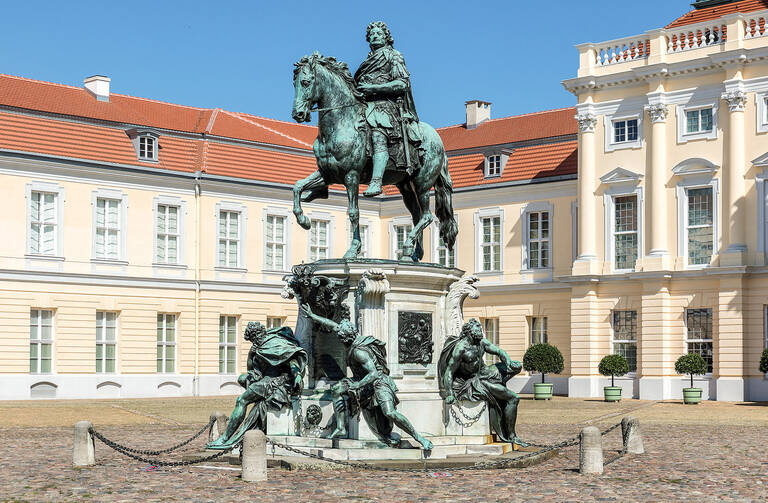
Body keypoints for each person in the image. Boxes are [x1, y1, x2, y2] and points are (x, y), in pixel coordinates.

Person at [302, 304, 433, 450]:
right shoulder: (349, 337)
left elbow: (374, 374)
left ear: (347, 338)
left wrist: (357, 386)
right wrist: (314, 316)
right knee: (337, 389)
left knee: (390, 412)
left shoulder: (359, 352)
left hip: (378, 382)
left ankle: (419, 437)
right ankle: (341, 427)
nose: (340, 340)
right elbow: (333, 326)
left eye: (341, 338)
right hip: (362, 379)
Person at [206, 321, 306, 449]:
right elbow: (252, 371)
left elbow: (292, 359)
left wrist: (297, 375)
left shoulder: (275, 343)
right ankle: (230, 433)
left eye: (253, 339)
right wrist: (251, 354)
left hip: (276, 381)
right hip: (266, 378)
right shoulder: (259, 345)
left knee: (241, 400)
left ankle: (225, 438)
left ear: (256, 335)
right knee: (242, 379)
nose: (253, 342)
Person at [354, 20, 422, 197]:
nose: (375, 36)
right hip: (365, 104)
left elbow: (402, 83)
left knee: (377, 134)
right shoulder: (367, 61)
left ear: (386, 37)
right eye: (372, 34)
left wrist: (374, 89)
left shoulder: (394, 56)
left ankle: (376, 182)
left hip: (387, 105)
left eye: (379, 34)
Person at [438, 318, 528, 447]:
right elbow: (449, 372)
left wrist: (508, 362)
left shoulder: (480, 342)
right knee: (513, 398)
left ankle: (498, 387)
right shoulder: (461, 348)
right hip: (475, 381)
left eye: (480, 328)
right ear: (469, 331)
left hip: (485, 373)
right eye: (478, 328)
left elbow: (499, 351)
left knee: (516, 366)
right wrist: (450, 393)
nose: (481, 331)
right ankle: (512, 436)